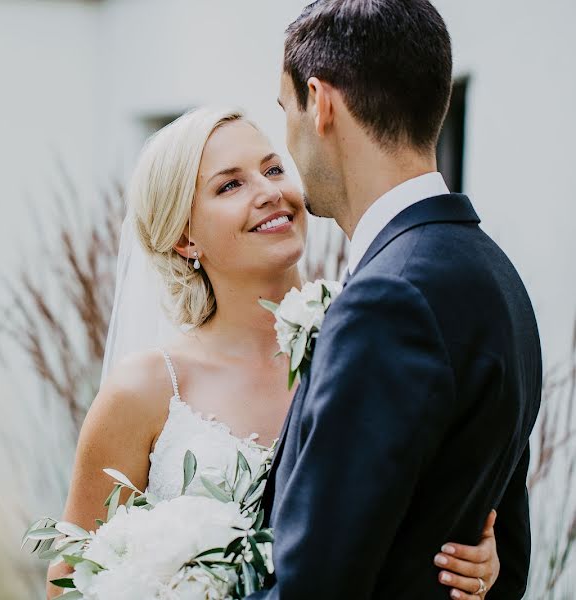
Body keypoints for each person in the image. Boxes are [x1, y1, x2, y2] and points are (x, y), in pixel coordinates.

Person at [46, 105, 500, 598]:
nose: (269, 193)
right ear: (184, 237)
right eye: (230, 185)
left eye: (273, 169)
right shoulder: (144, 392)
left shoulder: (378, 345)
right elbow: (70, 584)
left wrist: (477, 564)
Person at [250, 1, 541, 598]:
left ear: (321, 102)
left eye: (286, 111)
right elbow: (503, 554)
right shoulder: (495, 275)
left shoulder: (387, 300)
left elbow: (313, 587)